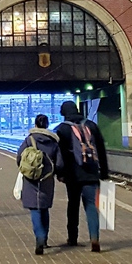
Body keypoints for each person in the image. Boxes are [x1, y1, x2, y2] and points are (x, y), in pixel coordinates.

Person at [55, 100, 109, 252]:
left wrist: (60, 174)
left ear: (63, 112)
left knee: (73, 206)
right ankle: (94, 238)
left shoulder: (62, 129)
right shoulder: (91, 126)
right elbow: (101, 149)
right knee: (91, 206)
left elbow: (60, 155)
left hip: (72, 176)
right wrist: (103, 171)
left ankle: (72, 238)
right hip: (91, 173)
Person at [17, 114, 63, 255]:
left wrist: (26, 170)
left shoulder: (29, 140)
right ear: (47, 125)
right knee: (44, 208)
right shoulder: (54, 142)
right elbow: (60, 163)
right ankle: (45, 239)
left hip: (31, 179)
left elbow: (19, 157)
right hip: (47, 179)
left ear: (36, 124)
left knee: (35, 209)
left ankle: (39, 236)